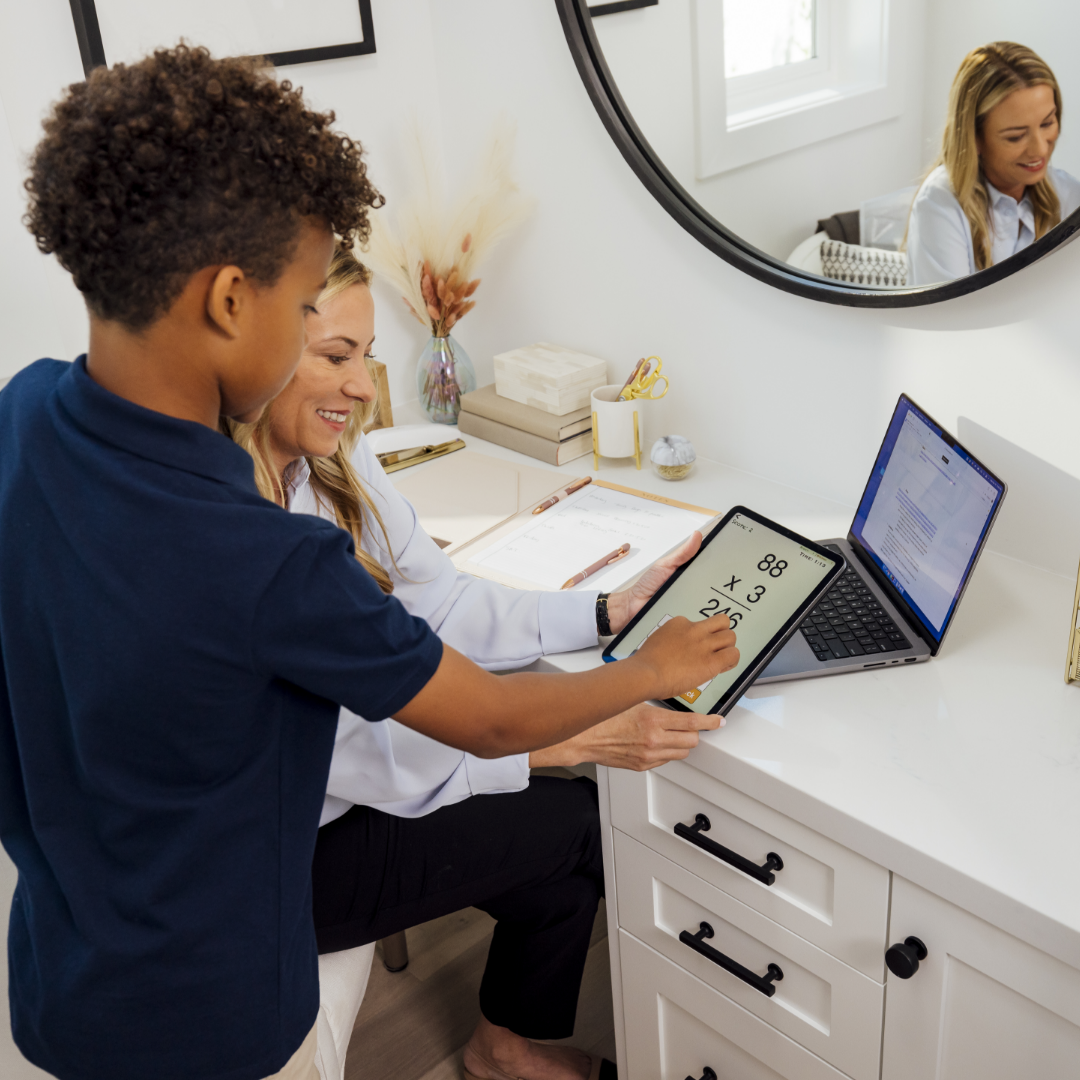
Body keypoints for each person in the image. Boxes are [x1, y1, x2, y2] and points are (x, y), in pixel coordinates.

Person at [0, 46, 738, 1080]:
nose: (334, 351)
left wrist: (601, 615)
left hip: (63, 976)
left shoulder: (24, 413)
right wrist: (648, 672)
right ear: (227, 302)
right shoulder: (261, 558)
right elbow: (479, 715)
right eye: (309, 309)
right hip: (216, 1017)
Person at [226, 249, 721, 1080]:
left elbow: (447, 605)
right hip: (281, 861)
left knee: (561, 822)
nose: (361, 385)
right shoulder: (241, 537)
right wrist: (567, 739)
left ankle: (503, 1046)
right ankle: (506, 1053)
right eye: (335, 355)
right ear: (261, 348)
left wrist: (604, 610)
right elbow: (353, 754)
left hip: (347, 797)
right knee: (572, 829)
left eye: (367, 355)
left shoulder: (337, 467)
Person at [907, 42, 1080, 286]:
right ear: (974, 137)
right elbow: (950, 318)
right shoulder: (939, 205)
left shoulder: (1070, 196)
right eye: (1016, 136)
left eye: (1047, 123)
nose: (1041, 149)